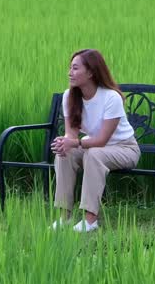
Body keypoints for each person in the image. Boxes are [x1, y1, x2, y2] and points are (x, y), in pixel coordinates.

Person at [49, 49, 141, 232]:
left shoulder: (110, 97)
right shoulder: (69, 96)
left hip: (124, 149)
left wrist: (74, 143)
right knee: (64, 154)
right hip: (93, 146)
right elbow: (72, 135)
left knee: (94, 155)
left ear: (91, 72)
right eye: (70, 68)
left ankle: (90, 220)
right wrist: (64, 142)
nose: (70, 73)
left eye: (75, 68)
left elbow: (102, 139)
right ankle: (64, 217)